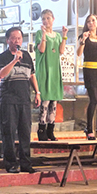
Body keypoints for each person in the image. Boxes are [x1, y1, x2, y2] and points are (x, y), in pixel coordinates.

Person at [0, 27, 41, 173]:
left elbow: (32, 75)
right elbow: (1, 74)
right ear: (8, 40)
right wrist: (14, 61)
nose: (17, 41)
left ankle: (26, 164)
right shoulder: (2, 57)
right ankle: (11, 164)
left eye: (19, 38)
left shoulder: (26, 56)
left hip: (24, 99)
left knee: (25, 133)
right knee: (8, 132)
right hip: (9, 99)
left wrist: (37, 93)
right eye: (13, 38)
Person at [34, 9, 68, 141]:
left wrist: (64, 35)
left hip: (55, 70)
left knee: (54, 102)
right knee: (45, 102)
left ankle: (51, 129)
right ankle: (41, 129)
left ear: (53, 19)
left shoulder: (57, 35)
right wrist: (43, 34)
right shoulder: (39, 33)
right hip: (44, 69)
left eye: (48, 18)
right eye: (43, 19)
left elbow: (61, 50)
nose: (46, 21)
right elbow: (41, 49)